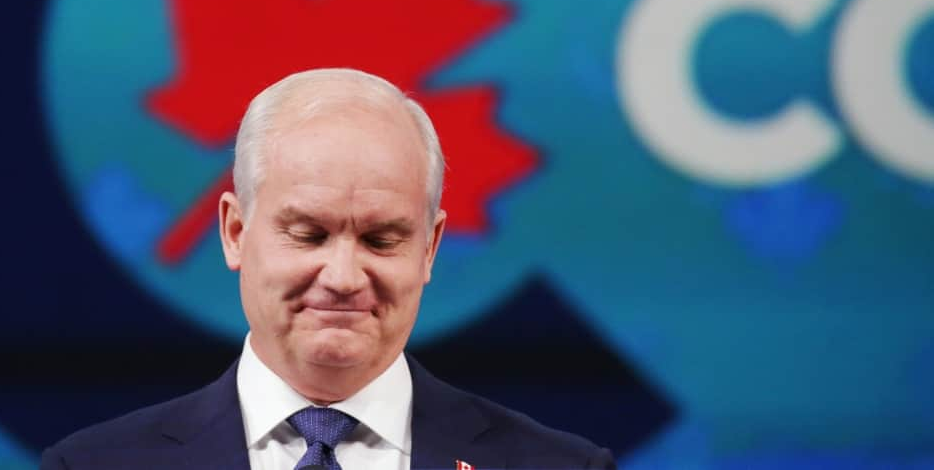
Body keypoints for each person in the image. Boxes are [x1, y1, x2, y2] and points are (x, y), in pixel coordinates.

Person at [42, 68, 615, 469]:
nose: (343, 276)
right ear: (235, 232)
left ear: (431, 247)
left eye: (381, 238)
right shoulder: (93, 464)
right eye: (308, 234)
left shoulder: (563, 466)